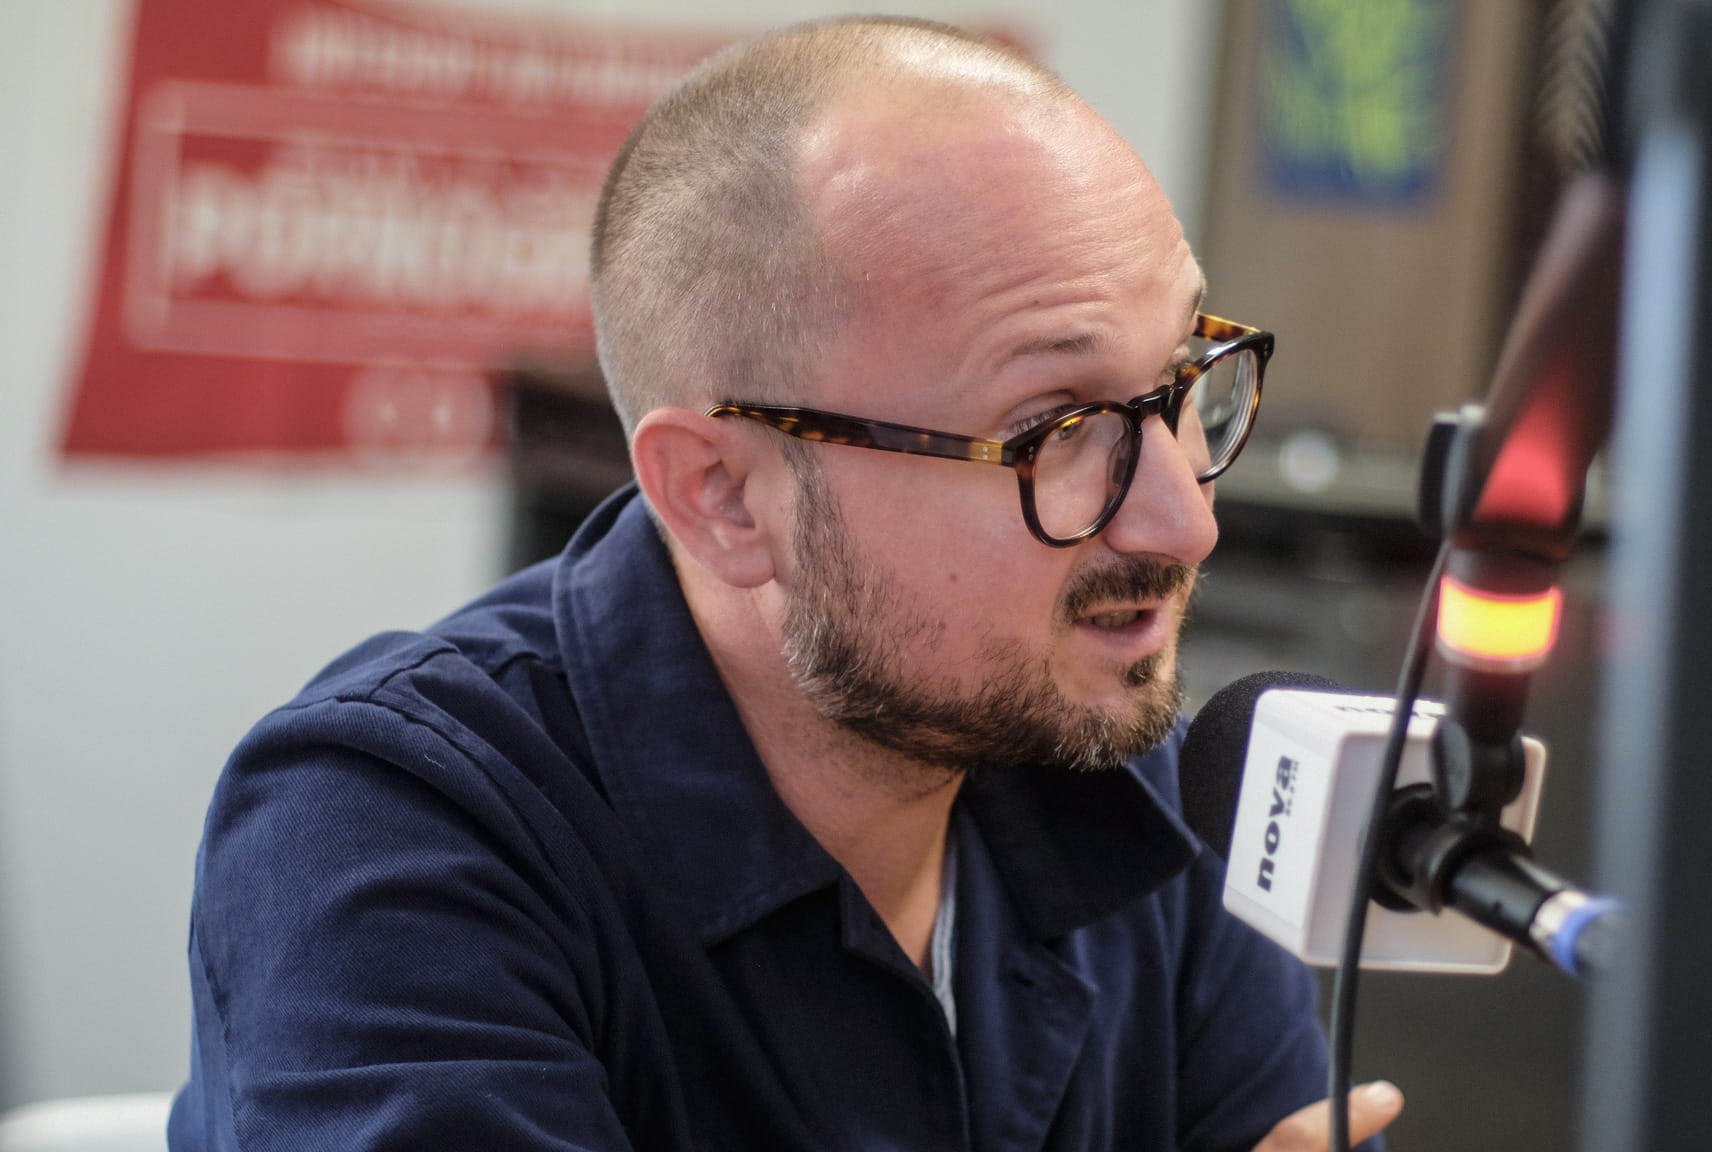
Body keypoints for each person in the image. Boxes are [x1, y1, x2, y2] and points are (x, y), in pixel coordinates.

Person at [168, 16, 1403, 1151]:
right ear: (722, 495)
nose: (1184, 520)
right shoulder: (389, 831)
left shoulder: (1128, 777)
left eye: (1187, 379)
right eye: (1056, 427)